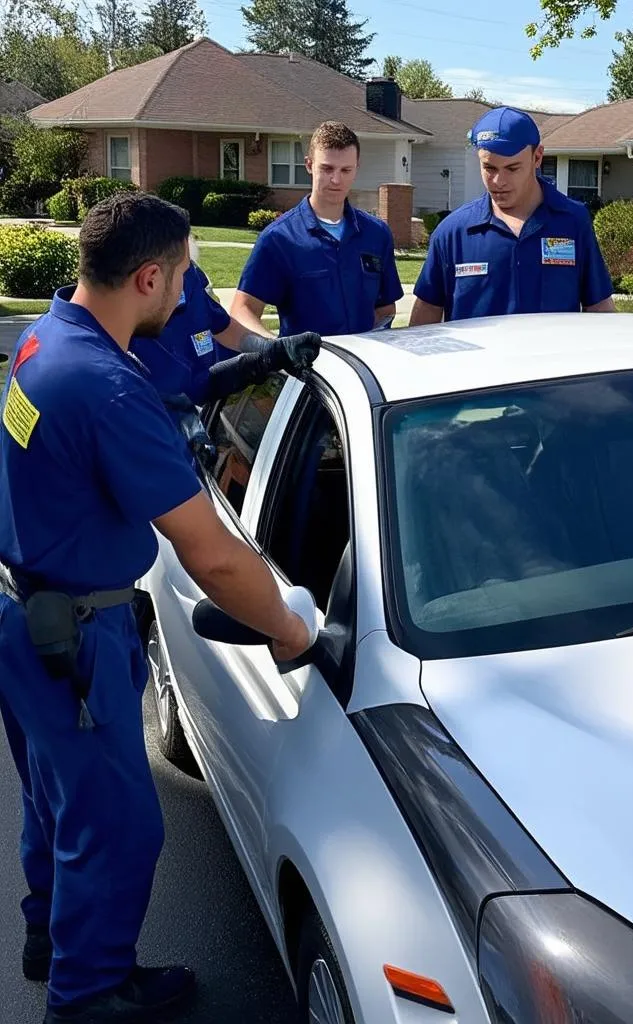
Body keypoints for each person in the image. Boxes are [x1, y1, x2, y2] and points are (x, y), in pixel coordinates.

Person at [0, 192, 314, 1024]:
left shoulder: (48, 337)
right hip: (76, 636)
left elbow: (137, 403)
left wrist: (245, 369)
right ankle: (88, 994)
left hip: (26, 616)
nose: (188, 295)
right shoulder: (106, 390)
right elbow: (211, 554)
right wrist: (288, 625)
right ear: (147, 277)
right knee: (118, 829)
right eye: (182, 277)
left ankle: (49, 937)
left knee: (56, 801)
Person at [409, 106, 616, 325]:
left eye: (512, 168)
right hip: (476, 360)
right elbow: (427, 312)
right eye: (489, 168)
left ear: (537, 158)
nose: (499, 181)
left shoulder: (573, 221)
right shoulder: (453, 232)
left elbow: (599, 306)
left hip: (552, 358)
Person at [129, 233, 319, 445]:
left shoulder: (190, 277)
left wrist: (267, 349)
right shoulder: (130, 335)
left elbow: (224, 326)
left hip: (205, 412)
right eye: (181, 271)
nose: (187, 277)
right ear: (150, 277)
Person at [230, 121, 403, 338]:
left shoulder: (377, 234)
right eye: (327, 168)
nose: (336, 179)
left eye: (345, 170)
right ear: (309, 165)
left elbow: (386, 309)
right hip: (307, 370)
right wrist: (277, 349)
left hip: (362, 367)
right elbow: (242, 310)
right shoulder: (279, 238)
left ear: (357, 168)